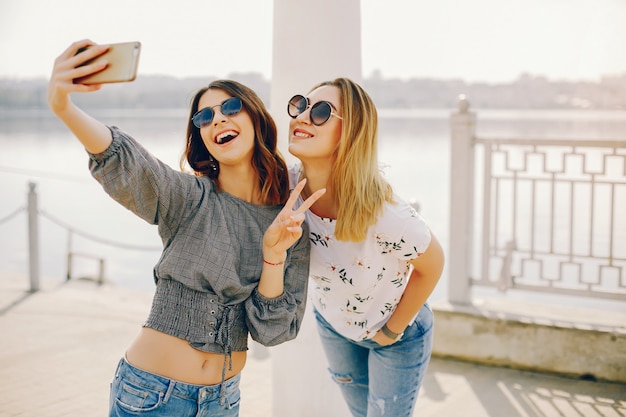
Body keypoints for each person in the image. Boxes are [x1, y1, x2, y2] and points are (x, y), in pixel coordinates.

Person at [47, 39, 325, 417]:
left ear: (256, 118)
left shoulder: (290, 223)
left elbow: (273, 331)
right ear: (202, 140)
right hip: (151, 396)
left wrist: (274, 254)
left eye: (230, 107)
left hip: (224, 402)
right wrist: (63, 107)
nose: (218, 120)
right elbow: (128, 160)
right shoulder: (188, 197)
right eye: (204, 118)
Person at [286, 78, 445, 417]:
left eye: (321, 112)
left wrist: (391, 330)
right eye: (300, 106)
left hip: (397, 334)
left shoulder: (388, 215)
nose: (301, 117)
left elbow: (433, 264)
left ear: (351, 132)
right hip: (333, 325)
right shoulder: (286, 187)